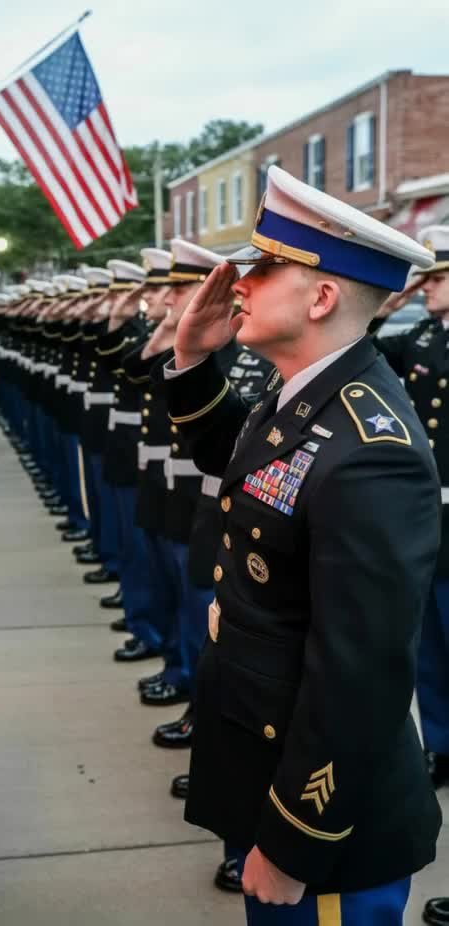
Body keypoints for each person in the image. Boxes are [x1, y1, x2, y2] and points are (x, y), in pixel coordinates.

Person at [166, 165, 442, 923]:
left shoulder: (369, 446)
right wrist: (192, 359)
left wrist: (295, 842)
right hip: (269, 753)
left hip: (328, 826)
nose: (240, 284)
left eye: (264, 267)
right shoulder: (305, 389)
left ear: (322, 298)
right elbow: (243, 468)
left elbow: (360, 675)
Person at [369, 225, 449, 792]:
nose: (427, 288)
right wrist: (382, 304)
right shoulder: (421, 334)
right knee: (430, 644)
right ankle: (441, 744)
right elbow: (362, 350)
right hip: (430, 517)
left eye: (438, 278)